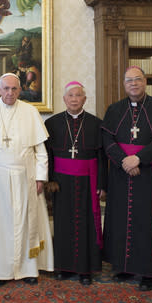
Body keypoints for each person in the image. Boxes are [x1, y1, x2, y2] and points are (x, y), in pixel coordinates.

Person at [0, 73, 54, 285]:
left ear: (20, 89)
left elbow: (41, 152)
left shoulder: (31, 111)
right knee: (0, 227)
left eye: (14, 89)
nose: (10, 93)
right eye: (6, 89)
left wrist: (40, 177)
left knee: (27, 224)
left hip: (26, 177)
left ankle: (29, 270)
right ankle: (1, 272)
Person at [101, 66, 152, 291]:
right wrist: (124, 160)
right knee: (120, 218)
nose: (133, 84)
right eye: (129, 80)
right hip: (120, 173)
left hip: (149, 173)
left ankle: (148, 271)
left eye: (138, 80)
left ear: (145, 82)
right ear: (124, 84)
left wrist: (138, 159)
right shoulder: (114, 109)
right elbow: (107, 140)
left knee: (146, 221)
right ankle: (123, 266)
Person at [44, 81, 107, 285]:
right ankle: (63, 267)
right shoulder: (52, 123)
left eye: (78, 95)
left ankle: (85, 270)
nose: (74, 99)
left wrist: (102, 184)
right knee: (63, 223)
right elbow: (48, 156)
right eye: (70, 95)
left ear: (84, 99)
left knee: (86, 223)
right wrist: (49, 180)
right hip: (61, 182)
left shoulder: (96, 124)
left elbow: (102, 156)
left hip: (88, 180)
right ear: (64, 99)